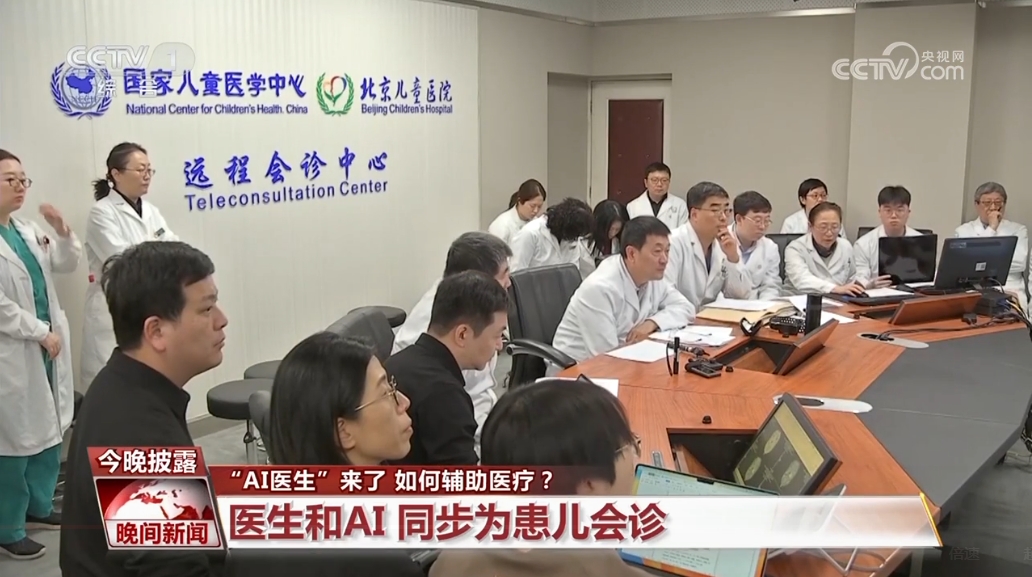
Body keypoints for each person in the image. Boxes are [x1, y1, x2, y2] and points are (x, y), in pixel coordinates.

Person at [61, 241, 227, 577]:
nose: (222, 320)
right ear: (156, 331)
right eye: (207, 309)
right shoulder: (142, 433)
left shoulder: (119, 382)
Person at [429, 378, 648, 577]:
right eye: (630, 446)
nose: (635, 456)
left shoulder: (454, 557)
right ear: (590, 483)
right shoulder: (598, 566)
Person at [0, 149, 81, 560]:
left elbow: (64, 265)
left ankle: (39, 506)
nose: (20, 187)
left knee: (48, 429)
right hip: (13, 352)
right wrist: (38, 331)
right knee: (13, 441)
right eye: (9, 180)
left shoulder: (28, 230)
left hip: (47, 347)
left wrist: (63, 231)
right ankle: (8, 527)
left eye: (23, 179)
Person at [392, 232, 511, 449]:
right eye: (504, 274)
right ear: (476, 281)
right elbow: (452, 421)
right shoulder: (439, 332)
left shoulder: (467, 309)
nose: (509, 282)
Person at [81, 142, 179, 390]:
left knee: (149, 382)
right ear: (116, 174)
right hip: (114, 308)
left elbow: (175, 250)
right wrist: (159, 257)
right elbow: (124, 260)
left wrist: (160, 257)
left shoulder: (151, 211)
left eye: (149, 170)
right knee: (114, 387)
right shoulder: (102, 213)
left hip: (148, 305)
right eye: (140, 169)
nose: (147, 175)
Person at [552, 216, 694, 363]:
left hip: (627, 360)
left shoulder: (652, 278)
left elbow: (686, 308)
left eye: (667, 251)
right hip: (578, 368)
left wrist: (652, 323)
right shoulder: (599, 288)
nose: (664, 259)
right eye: (657, 251)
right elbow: (606, 357)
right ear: (632, 254)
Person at [664, 182, 751, 309]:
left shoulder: (726, 243)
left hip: (710, 317)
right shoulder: (672, 243)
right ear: (694, 214)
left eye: (726, 210)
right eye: (715, 210)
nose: (723, 217)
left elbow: (741, 296)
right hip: (679, 316)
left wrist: (733, 258)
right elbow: (666, 293)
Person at [955, 182, 1029, 311]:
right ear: (977, 204)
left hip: (1009, 288)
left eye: (998, 202)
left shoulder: (1018, 230)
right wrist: (992, 228)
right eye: (987, 203)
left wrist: (983, 263)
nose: (993, 207)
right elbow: (966, 265)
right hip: (974, 288)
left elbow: (1019, 263)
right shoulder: (963, 231)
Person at [783, 202, 870, 296]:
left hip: (836, 300)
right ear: (810, 226)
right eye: (823, 227)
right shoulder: (795, 248)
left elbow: (851, 278)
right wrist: (835, 289)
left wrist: (864, 285)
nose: (829, 233)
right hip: (799, 299)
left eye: (834, 227)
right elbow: (801, 279)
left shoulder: (846, 246)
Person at [510, 197, 595, 279]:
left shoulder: (571, 238)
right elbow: (516, 274)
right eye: (573, 236)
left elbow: (571, 272)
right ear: (565, 229)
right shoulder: (531, 233)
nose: (575, 240)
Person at [854, 186, 921, 287]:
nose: (894, 215)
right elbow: (860, 277)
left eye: (899, 210)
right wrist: (871, 284)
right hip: (877, 292)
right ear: (879, 212)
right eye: (888, 210)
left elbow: (931, 275)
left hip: (913, 293)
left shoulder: (920, 242)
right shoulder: (863, 244)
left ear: (908, 213)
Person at [731, 191, 782, 299]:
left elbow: (770, 286)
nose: (762, 226)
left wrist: (765, 306)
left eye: (767, 221)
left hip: (758, 305)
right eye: (757, 221)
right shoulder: (718, 242)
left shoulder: (770, 247)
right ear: (739, 219)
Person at [625, 162, 688, 231]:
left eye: (664, 180)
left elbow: (684, 233)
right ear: (646, 183)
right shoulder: (633, 206)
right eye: (654, 180)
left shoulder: (680, 205)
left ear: (669, 182)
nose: (659, 184)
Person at [780, 178, 846, 237]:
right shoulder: (790, 222)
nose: (820, 199)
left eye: (823, 195)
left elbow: (843, 244)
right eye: (815, 196)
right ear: (803, 200)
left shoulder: (834, 220)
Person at [487, 179, 546, 245]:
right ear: (520, 201)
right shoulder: (501, 225)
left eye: (539, 207)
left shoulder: (538, 224)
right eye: (532, 206)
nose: (536, 210)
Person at [591, 199, 630, 264]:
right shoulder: (584, 245)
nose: (613, 233)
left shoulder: (618, 242)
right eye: (610, 229)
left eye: (617, 229)